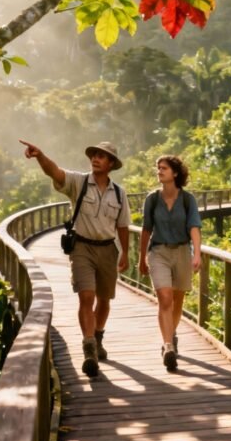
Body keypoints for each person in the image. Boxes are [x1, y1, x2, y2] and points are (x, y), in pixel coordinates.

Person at [20, 139, 130, 377]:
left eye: (102, 156)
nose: (96, 158)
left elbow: (122, 226)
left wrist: (126, 253)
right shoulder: (79, 182)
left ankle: (98, 336)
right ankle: (88, 346)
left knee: (104, 299)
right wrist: (40, 155)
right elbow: (56, 172)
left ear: (111, 163)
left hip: (108, 249)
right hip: (82, 247)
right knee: (86, 296)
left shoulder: (120, 193)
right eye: (94, 155)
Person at [137, 156, 202, 372]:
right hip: (159, 251)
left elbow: (194, 226)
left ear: (175, 173)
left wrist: (197, 253)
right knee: (165, 298)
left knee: (177, 299)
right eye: (158, 168)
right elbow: (146, 229)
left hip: (182, 251)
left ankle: (170, 335)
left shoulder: (187, 199)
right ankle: (167, 346)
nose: (159, 171)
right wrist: (141, 257)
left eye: (163, 168)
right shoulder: (152, 199)